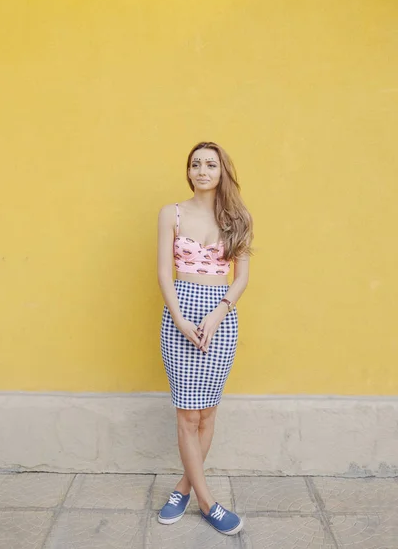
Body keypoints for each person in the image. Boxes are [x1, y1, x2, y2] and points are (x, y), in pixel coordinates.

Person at [156, 141, 254, 535]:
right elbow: (164, 273)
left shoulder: (239, 218)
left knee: (207, 412)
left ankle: (182, 488)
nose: (202, 170)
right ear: (189, 172)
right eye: (195, 164)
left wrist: (217, 314)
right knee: (186, 414)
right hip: (179, 314)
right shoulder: (171, 213)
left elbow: (242, 278)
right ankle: (208, 502)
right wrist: (180, 320)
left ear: (222, 171)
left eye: (210, 164)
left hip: (220, 315)